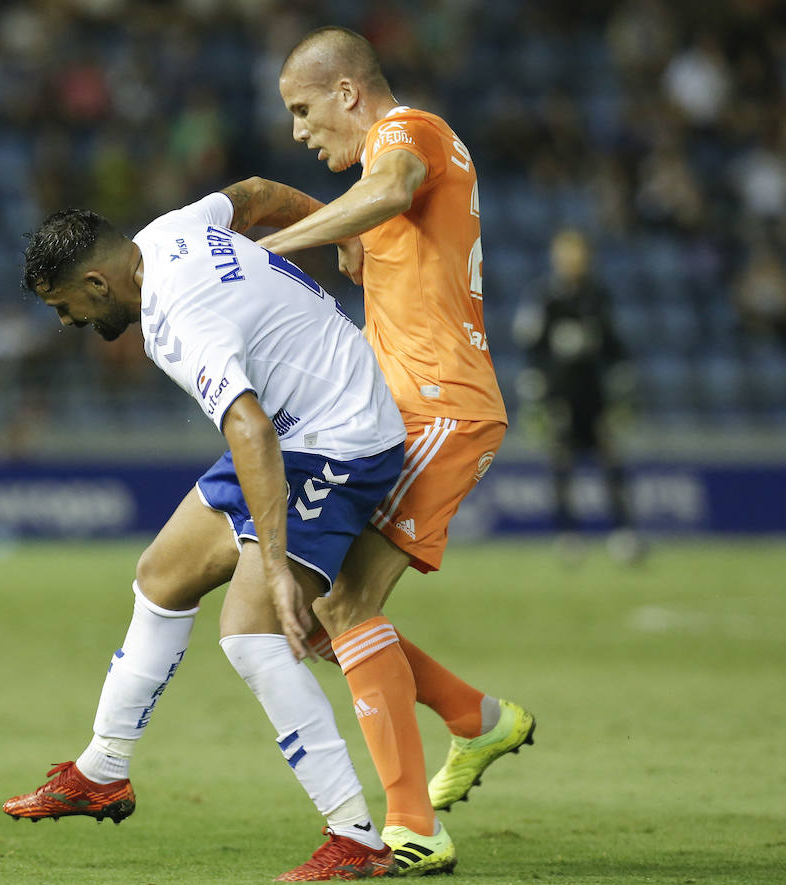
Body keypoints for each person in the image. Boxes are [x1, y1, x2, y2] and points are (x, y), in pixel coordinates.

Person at [3, 194, 431, 879]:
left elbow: (250, 430)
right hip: (295, 424)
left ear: (97, 284)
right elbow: (257, 191)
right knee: (162, 574)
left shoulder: (176, 318)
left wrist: (277, 569)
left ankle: (357, 837)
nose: (68, 323)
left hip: (338, 440)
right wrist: (341, 229)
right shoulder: (169, 229)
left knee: (252, 631)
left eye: (66, 308)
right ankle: (103, 767)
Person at [207, 25, 536, 867]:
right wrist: (319, 228)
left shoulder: (406, 133)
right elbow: (372, 219)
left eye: (304, 109)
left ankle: (411, 826)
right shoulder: (377, 179)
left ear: (349, 92)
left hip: (441, 409)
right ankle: (476, 719)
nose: (298, 130)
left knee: (343, 606)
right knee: (323, 614)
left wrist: (268, 251)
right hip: (404, 412)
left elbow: (392, 187)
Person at [514, 228, 642, 562]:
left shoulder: (598, 295)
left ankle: (623, 532)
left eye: (578, 254)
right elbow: (531, 345)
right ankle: (568, 534)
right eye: (566, 254)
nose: (573, 261)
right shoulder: (545, 297)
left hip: (594, 392)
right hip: (560, 394)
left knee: (610, 460)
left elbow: (615, 344)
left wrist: (622, 382)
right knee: (562, 463)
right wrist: (537, 390)